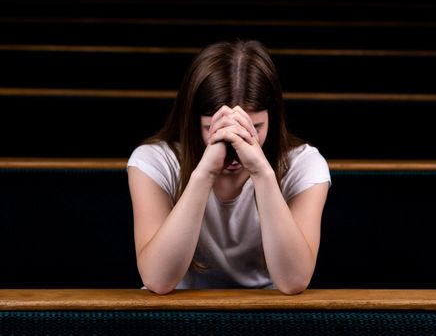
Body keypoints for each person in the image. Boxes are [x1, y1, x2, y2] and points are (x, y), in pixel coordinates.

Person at [127, 39, 330, 295]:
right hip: (179, 314)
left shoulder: (304, 164)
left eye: (254, 129)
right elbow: (158, 280)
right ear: (192, 122)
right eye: (214, 129)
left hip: (269, 313)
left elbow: (294, 281)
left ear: (273, 119)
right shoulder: (153, 161)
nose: (237, 142)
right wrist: (204, 173)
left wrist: (262, 173)